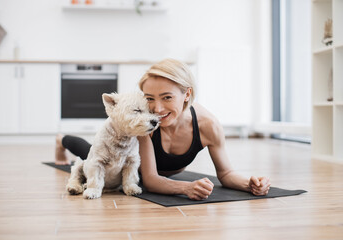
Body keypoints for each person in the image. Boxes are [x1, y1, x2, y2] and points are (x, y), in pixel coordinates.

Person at [55, 58, 271, 200]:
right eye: (150, 98)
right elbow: (150, 180)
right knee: (90, 152)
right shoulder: (147, 124)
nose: (157, 109)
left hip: (163, 174)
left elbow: (225, 173)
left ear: (187, 94)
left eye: (167, 97)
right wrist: (185, 188)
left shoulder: (208, 125)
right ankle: (61, 140)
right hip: (129, 169)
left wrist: (249, 184)